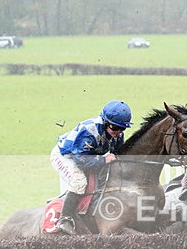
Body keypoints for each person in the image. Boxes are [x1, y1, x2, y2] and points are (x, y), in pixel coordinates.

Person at [49, 100, 132, 234]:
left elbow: (117, 154)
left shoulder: (118, 134)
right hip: (66, 156)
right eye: (114, 128)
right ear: (105, 122)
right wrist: (104, 160)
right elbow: (80, 160)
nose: (118, 132)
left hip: (87, 155)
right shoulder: (89, 131)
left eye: (122, 128)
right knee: (79, 182)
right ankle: (64, 220)